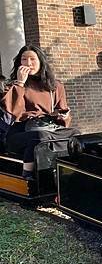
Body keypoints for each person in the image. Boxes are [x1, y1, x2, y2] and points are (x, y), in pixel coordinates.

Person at [1, 45, 79, 179]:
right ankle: (27, 174)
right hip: (20, 132)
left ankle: (71, 172)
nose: (28, 63)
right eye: (24, 59)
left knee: (75, 134)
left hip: (49, 128)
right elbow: (11, 113)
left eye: (32, 59)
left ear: (41, 62)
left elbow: (64, 119)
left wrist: (63, 115)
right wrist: (19, 83)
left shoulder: (55, 86)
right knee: (39, 137)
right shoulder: (12, 86)